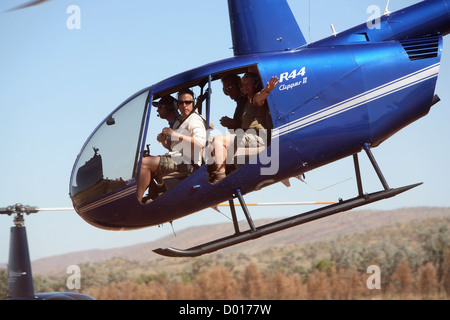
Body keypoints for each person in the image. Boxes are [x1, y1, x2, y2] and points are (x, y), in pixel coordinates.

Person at [137, 89, 207, 203]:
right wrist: (164, 142)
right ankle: (152, 195)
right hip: (178, 158)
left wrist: (174, 134)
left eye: (188, 102)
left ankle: (137, 204)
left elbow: (200, 142)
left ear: (193, 103)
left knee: (144, 163)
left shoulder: (194, 119)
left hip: (187, 162)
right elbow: (176, 147)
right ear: (177, 105)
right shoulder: (181, 121)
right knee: (143, 161)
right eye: (180, 103)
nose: (184, 105)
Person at [209, 72, 279, 183]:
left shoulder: (254, 98)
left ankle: (219, 177)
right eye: (243, 84)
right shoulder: (245, 102)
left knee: (218, 140)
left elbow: (260, 98)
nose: (245, 87)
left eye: (248, 84)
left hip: (256, 137)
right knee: (215, 149)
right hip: (248, 138)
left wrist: (267, 90)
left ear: (254, 85)